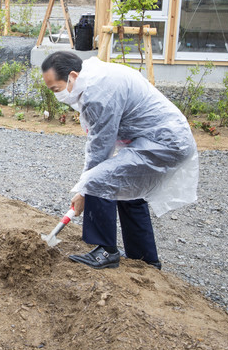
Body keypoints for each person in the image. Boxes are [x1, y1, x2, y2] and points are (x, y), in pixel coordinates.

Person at [41, 51, 199, 270]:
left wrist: (85, 190)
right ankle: (144, 258)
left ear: (72, 77)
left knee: (98, 178)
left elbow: (100, 150)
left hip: (165, 141)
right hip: (163, 137)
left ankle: (105, 250)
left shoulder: (98, 94)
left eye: (55, 89)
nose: (56, 95)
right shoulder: (94, 77)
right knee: (128, 190)